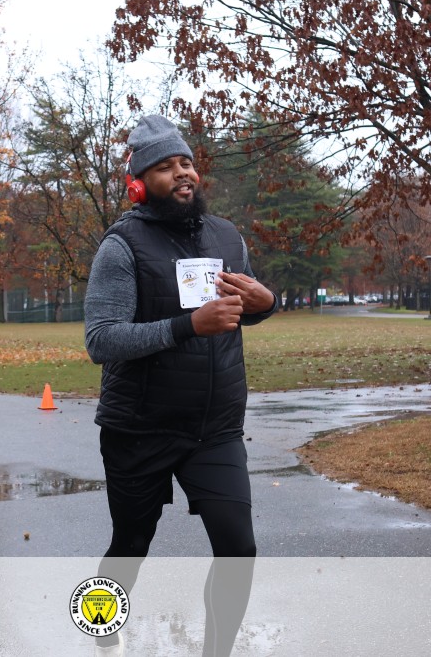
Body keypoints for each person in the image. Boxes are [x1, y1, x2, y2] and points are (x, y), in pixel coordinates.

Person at [84, 114, 277, 656]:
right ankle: (100, 629)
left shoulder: (226, 236)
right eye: (166, 167)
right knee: (129, 546)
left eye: (186, 162)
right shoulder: (121, 246)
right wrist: (186, 326)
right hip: (139, 429)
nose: (183, 173)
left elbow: (238, 309)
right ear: (139, 183)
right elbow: (101, 340)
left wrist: (266, 303)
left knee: (238, 550)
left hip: (213, 428)